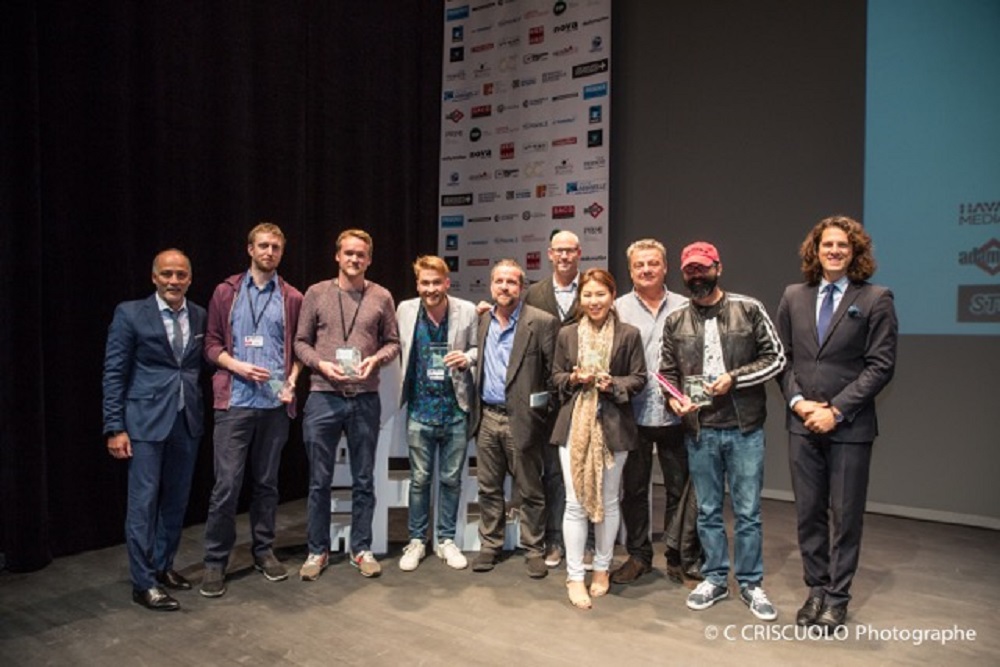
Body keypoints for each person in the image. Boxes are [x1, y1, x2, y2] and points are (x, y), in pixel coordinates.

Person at [776, 216, 897, 633]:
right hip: (802, 424)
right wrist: (797, 402)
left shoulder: (876, 298)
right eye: (827, 244)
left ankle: (838, 597)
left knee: (845, 517)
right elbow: (784, 358)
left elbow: (881, 366)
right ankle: (816, 589)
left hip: (850, 427)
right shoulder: (794, 296)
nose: (834, 251)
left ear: (855, 251)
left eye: (843, 245)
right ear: (815, 250)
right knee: (809, 514)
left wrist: (836, 410)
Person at [659, 241, 786, 621]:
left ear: (718, 268)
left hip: (744, 429)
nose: (697, 276)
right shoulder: (676, 320)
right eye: (690, 270)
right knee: (709, 511)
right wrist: (674, 401)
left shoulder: (748, 308)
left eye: (703, 268)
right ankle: (715, 577)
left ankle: (750, 583)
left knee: (747, 512)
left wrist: (735, 378)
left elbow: (776, 358)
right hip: (701, 430)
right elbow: (667, 375)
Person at [200, 223, 304, 597]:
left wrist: (291, 380)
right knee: (226, 486)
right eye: (263, 245)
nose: (270, 251)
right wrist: (236, 366)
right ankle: (215, 561)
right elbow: (210, 344)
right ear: (250, 249)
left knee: (266, 485)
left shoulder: (292, 296)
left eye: (276, 246)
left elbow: (299, 350)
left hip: (274, 405)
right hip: (236, 402)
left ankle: (263, 551)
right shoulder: (226, 292)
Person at [102, 249, 206, 611]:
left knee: (176, 501)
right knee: (143, 505)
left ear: (189, 279)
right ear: (154, 277)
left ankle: (164, 566)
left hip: (186, 421)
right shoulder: (130, 313)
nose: (174, 281)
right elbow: (114, 372)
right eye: (167, 274)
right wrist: (115, 426)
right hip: (144, 423)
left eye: (180, 275)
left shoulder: (199, 314)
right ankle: (142, 582)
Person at [294, 229, 400, 580]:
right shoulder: (316, 293)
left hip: (364, 398)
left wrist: (376, 361)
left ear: (369, 259)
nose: (354, 259)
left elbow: (393, 343)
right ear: (337, 256)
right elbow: (300, 343)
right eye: (348, 253)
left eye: (361, 255)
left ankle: (361, 548)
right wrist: (319, 364)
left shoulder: (381, 296)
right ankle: (317, 550)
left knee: (363, 479)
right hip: (323, 396)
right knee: (318, 481)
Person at [550, 269, 646, 609]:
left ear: (612, 296)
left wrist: (612, 385)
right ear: (581, 299)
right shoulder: (567, 335)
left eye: (600, 294)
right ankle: (575, 575)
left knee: (607, 502)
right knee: (575, 504)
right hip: (573, 428)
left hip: (613, 428)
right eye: (587, 295)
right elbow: (555, 377)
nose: (594, 301)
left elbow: (639, 378)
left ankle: (602, 568)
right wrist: (574, 378)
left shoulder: (629, 334)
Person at [613, 239, 703, 586]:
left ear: (665, 267)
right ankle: (639, 557)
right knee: (634, 490)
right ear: (631, 270)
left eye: (653, 263)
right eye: (639, 265)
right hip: (631, 414)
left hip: (676, 415)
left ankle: (679, 558)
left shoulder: (687, 306)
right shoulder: (618, 308)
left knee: (679, 490)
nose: (646, 270)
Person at [471, 259, 558, 578]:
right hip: (488, 418)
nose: (505, 287)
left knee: (530, 489)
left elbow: (553, 374)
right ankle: (490, 545)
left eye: (511, 282)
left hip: (524, 420)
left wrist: (540, 415)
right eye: (499, 281)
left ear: (522, 287)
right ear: (491, 285)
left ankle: (534, 548)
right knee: (489, 488)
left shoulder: (542, 322)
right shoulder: (482, 320)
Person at [395, 256, 479, 572]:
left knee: (451, 479)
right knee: (419, 480)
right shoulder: (405, 310)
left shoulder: (467, 311)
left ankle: (445, 539)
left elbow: (478, 348)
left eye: (436, 282)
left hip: (456, 409)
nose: (430, 289)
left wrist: (467, 358)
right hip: (419, 409)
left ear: (447, 282)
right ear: (418, 284)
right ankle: (417, 540)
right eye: (424, 283)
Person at [524, 230, 583, 568]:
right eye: (558, 251)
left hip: (585, 395)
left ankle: (586, 542)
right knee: (551, 474)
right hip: (547, 397)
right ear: (549, 254)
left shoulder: (592, 288)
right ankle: (553, 539)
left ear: (579, 253)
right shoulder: (534, 293)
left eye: (570, 251)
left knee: (584, 472)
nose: (564, 256)